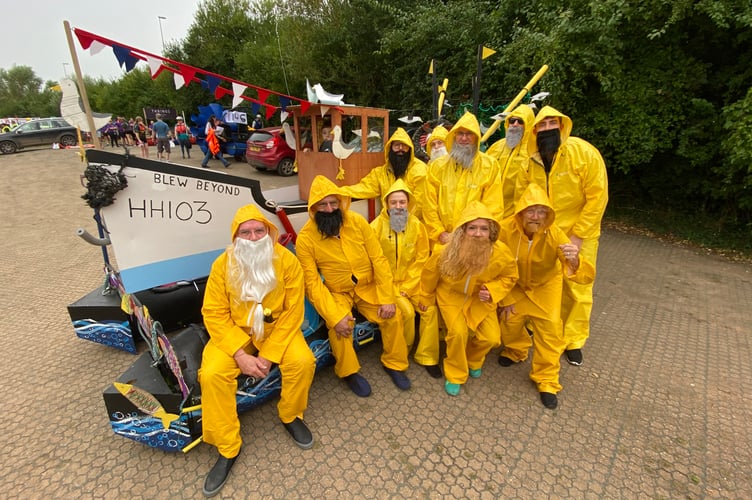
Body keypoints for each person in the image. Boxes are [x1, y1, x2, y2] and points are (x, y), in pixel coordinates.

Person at [199, 203, 316, 497]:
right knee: (212, 374)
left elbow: (293, 311)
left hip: (277, 331)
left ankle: (291, 416)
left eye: (259, 230)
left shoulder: (286, 261)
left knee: (303, 361)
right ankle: (228, 447)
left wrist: (267, 356)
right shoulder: (222, 265)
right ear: (236, 237)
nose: (253, 237)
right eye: (246, 232)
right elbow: (213, 313)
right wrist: (240, 354)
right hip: (235, 333)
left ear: (269, 232)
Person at [296, 175, 411, 397]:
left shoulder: (356, 221)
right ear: (314, 207)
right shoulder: (305, 239)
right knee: (339, 327)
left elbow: (378, 259)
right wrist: (333, 315)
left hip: (368, 286)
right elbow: (311, 283)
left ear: (341, 203)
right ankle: (349, 372)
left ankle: (394, 364)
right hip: (338, 292)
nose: (329, 209)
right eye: (323, 204)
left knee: (393, 316)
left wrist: (387, 297)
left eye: (333, 203)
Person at [517, 106, 608, 366]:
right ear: (534, 130)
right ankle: (539, 324)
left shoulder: (583, 153)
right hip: (544, 231)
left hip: (579, 231)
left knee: (576, 287)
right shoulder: (531, 159)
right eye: (542, 125)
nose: (547, 129)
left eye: (552, 124)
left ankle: (573, 340)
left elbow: (597, 198)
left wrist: (578, 236)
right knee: (539, 277)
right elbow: (527, 198)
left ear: (562, 125)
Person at [497, 183, 595, 409]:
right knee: (509, 321)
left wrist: (575, 260)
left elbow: (578, 274)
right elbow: (493, 262)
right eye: (531, 211)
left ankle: (547, 381)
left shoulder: (554, 233)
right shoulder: (505, 230)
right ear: (521, 212)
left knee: (551, 330)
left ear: (549, 215)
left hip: (545, 287)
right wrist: (505, 296)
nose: (536, 216)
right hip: (515, 285)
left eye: (542, 211)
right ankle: (516, 349)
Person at [420, 201, 518, 396]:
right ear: (463, 229)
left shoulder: (501, 252)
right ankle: (455, 374)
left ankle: (472, 360)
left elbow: (510, 276)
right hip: (451, 296)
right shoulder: (446, 250)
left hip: (479, 299)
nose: (478, 233)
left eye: (483, 228)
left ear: (491, 231)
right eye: (472, 228)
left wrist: (492, 290)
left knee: (491, 338)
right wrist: (425, 296)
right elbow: (430, 273)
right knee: (457, 334)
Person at [370, 180, 442, 378]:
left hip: (412, 282)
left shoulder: (417, 226)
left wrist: (409, 287)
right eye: (394, 202)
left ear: (409, 203)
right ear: (386, 204)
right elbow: (372, 262)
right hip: (387, 284)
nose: (399, 207)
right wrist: (394, 289)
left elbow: (421, 259)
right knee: (408, 313)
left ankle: (427, 356)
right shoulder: (375, 227)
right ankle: (404, 351)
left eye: (402, 202)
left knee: (430, 309)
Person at [423, 111, 503, 245]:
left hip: (475, 241)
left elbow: (493, 207)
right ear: (453, 136)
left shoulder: (490, 166)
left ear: (477, 137)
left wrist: (476, 235)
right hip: (442, 242)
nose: (464, 138)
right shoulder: (437, 166)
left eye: (469, 134)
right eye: (460, 134)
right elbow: (429, 205)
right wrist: (439, 233)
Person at [339, 127, 428, 220]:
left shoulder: (420, 170)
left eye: (404, 145)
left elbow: (420, 204)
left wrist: (404, 221)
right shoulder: (381, 172)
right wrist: (336, 192)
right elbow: (364, 188)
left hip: (416, 224)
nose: (400, 148)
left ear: (410, 149)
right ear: (390, 148)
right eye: (397, 145)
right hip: (389, 222)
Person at [486, 104, 536, 218]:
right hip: (491, 213)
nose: (515, 124)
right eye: (512, 121)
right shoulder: (496, 146)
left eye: (520, 121)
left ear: (529, 124)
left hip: (517, 215)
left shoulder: (534, 149)